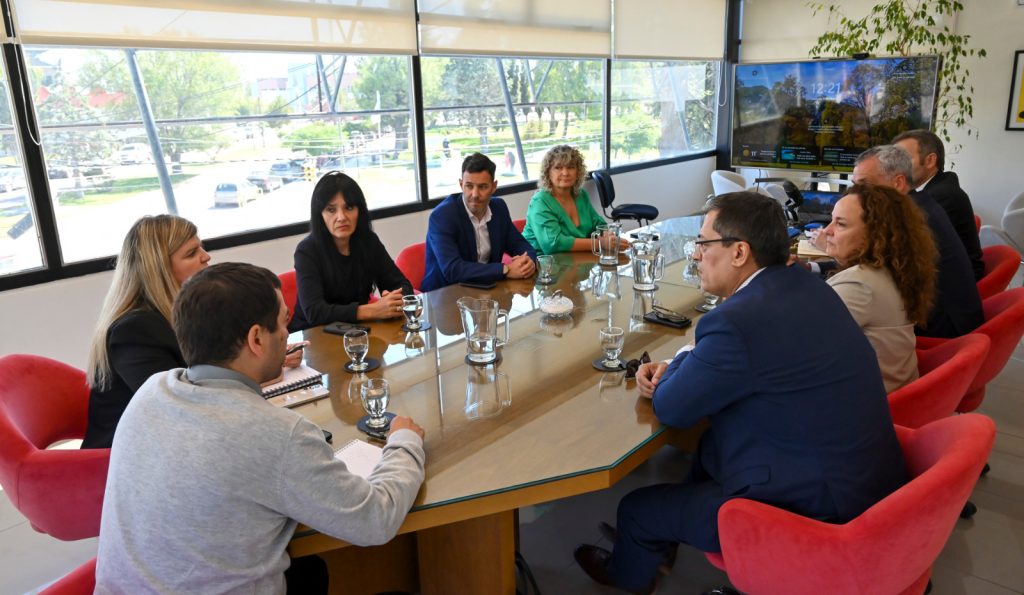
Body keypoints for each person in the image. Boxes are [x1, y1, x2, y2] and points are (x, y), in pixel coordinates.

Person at [574, 192, 906, 594]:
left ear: (739, 253)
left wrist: (679, 365)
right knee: (710, 447)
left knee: (636, 509)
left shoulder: (736, 322)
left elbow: (672, 406)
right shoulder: (807, 285)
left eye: (703, 243)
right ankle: (664, 537)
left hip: (817, 509)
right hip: (864, 479)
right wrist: (691, 361)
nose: (696, 253)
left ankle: (629, 575)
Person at [95, 263, 426, 593]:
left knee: (309, 570)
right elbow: (375, 520)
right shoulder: (278, 434)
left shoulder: (150, 393)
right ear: (256, 338)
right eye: (283, 323)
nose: (286, 334)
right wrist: (404, 441)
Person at [82, 215, 210, 449]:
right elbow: (177, 405)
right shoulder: (134, 330)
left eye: (201, 247)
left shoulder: (181, 312)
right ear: (159, 268)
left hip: (169, 441)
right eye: (192, 253)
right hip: (126, 458)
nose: (206, 256)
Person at [851, 145, 983, 338]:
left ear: (898, 182)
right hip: (950, 318)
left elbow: (871, 266)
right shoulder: (918, 204)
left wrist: (830, 251)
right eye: (854, 185)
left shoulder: (910, 218)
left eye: (864, 185)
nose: (855, 194)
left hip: (941, 330)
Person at [822, 183, 937, 392]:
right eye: (831, 220)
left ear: (874, 235)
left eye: (841, 224)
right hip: (894, 385)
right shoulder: (892, 269)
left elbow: (799, 346)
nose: (826, 231)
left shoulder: (859, 285)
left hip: (866, 401)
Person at [291, 171, 413, 330]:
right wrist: (372, 310)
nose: (341, 217)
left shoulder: (368, 241)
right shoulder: (307, 251)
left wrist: (394, 299)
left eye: (349, 207)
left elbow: (401, 285)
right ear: (320, 214)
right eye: (331, 210)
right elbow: (315, 312)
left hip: (356, 331)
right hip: (312, 334)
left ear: (359, 211)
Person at [421, 153, 537, 292]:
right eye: (469, 186)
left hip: (489, 289)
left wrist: (528, 262)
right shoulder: (442, 216)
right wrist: (505, 269)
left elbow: (520, 245)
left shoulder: (498, 208)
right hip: (445, 293)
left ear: (493, 186)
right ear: (461, 184)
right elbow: (453, 269)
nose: (475, 194)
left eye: (482, 187)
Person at [893, 129, 984, 279]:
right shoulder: (924, 189)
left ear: (930, 161)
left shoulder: (943, 196)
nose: (895, 167)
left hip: (953, 280)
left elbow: (906, 245)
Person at [522, 145, 629, 255]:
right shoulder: (540, 202)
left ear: (578, 172)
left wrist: (607, 235)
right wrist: (600, 243)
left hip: (576, 259)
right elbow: (553, 244)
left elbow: (598, 224)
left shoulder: (581, 195)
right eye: (558, 167)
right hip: (541, 262)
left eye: (571, 167)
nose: (565, 173)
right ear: (547, 172)